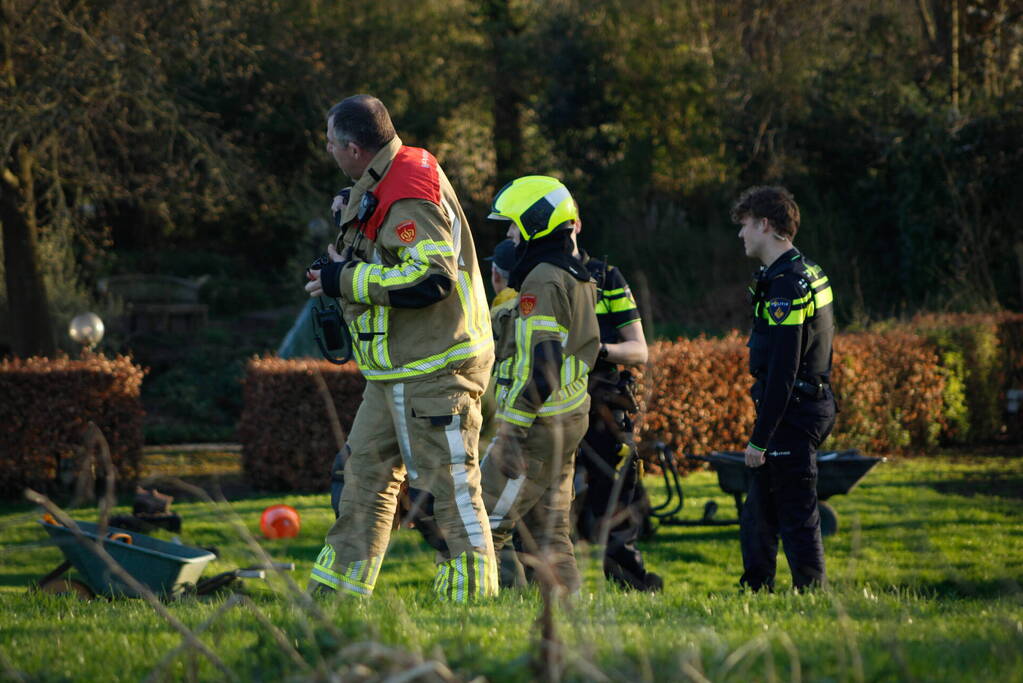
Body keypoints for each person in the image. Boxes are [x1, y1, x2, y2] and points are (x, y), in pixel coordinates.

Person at [304, 95, 498, 601]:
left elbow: (430, 279)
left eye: (329, 143)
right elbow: (392, 252)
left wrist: (344, 278)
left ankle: (474, 600)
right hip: (397, 370)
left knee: (452, 488)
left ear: (352, 147)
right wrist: (346, 240)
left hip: (437, 367)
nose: (326, 150)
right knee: (362, 477)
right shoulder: (390, 177)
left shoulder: (408, 188)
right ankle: (336, 598)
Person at [481, 176, 599, 595]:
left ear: (535, 223)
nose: (510, 236)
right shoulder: (577, 275)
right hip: (566, 419)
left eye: (513, 226)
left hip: (536, 427)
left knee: (479, 527)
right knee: (550, 535)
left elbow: (545, 361)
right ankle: (566, 615)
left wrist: (512, 432)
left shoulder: (543, 280)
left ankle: (472, 616)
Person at [732, 185, 836, 592]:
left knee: (795, 511)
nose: (740, 235)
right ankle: (755, 587)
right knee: (760, 508)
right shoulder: (803, 270)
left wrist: (760, 439)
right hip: (802, 403)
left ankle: (811, 592)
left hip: (794, 407)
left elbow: (783, 370)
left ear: (765, 224)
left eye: (744, 226)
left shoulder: (787, 284)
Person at [568, 217, 662, 592]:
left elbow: (638, 350)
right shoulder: (532, 275)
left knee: (615, 501)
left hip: (603, 405)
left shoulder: (605, 277)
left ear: (576, 224)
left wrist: (595, 350)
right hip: (550, 405)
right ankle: (535, 586)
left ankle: (628, 583)